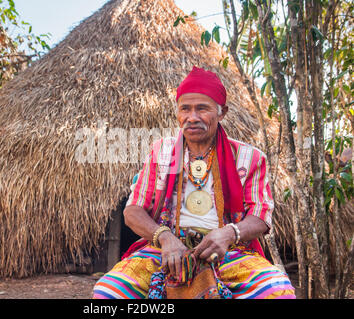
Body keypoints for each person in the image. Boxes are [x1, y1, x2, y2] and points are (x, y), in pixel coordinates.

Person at [93, 66, 295, 299]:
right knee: (108, 292)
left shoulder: (250, 158)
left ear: (222, 113)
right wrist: (165, 237)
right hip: (163, 251)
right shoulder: (161, 152)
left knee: (278, 292)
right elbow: (133, 211)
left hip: (229, 252)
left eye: (202, 109)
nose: (192, 117)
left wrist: (229, 233)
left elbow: (261, 215)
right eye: (185, 109)